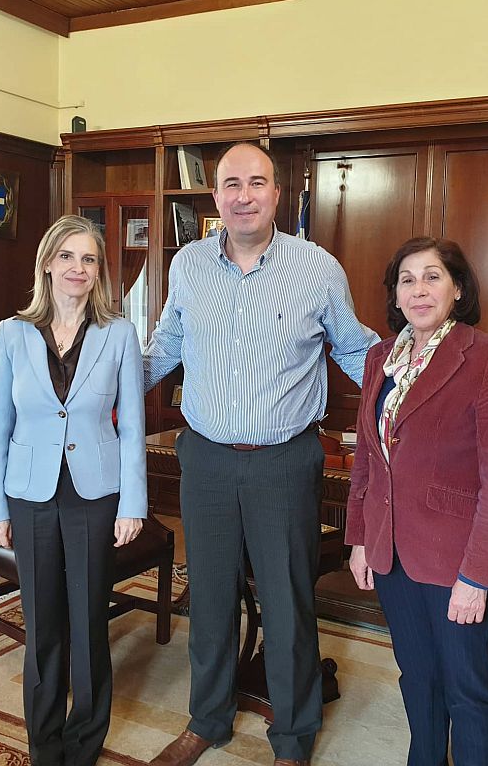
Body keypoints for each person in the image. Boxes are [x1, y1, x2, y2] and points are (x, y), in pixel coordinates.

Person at [144, 142, 378, 766]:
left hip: (283, 462)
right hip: (206, 460)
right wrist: (96, 384)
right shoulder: (188, 265)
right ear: (215, 196)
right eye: (231, 184)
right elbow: (164, 347)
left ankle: (293, 739)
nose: (243, 195)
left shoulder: (317, 268)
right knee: (210, 595)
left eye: (256, 183)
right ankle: (206, 720)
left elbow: (356, 350)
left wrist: (416, 389)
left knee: (287, 602)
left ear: (277, 193)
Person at [347, 237, 488, 766]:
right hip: (390, 551)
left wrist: (479, 576)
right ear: (395, 294)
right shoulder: (380, 358)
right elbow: (368, 458)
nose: (419, 290)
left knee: (466, 689)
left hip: (456, 560)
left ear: (458, 289)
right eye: (407, 279)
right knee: (417, 677)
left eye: (432, 277)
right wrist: (360, 539)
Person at [0, 214, 147, 766]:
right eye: (67, 256)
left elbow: (132, 427)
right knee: (43, 624)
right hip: (28, 493)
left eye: (89, 259)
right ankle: (44, 747)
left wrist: (133, 504)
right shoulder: (12, 333)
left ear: (99, 271)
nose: (78, 267)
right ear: (48, 263)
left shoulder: (118, 333)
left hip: (95, 494)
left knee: (89, 619)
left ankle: (84, 743)